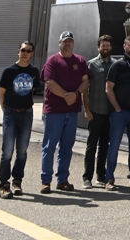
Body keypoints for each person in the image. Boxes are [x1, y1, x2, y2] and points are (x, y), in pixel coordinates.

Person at [40, 31, 89, 194]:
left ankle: (63, 180)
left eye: (70, 41)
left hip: (72, 111)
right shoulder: (52, 60)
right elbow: (49, 82)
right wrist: (66, 96)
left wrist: (75, 95)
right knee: (49, 146)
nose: (67, 44)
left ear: (73, 44)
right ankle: (46, 180)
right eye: (64, 41)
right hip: (54, 111)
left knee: (67, 146)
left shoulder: (80, 60)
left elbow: (85, 81)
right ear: (59, 43)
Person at [104, 35, 130, 191]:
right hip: (120, 113)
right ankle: (109, 178)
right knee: (114, 146)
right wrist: (117, 108)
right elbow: (108, 88)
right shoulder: (117, 66)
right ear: (124, 46)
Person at [0, 40, 40, 198]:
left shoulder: (34, 71)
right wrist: (5, 109)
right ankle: (4, 185)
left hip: (26, 113)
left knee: (22, 151)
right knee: (7, 151)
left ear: (32, 54)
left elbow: (32, 90)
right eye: (23, 50)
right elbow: (1, 92)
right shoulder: (8, 71)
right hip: (10, 113)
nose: (25, 53)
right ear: (18, 51)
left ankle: (17, 181)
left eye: (28, 51)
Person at [82, 34, 114, 189]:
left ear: (111, 47)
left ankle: (101, 176)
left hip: (109, 113)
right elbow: (85, 90)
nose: (105, 48)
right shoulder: (92, 65)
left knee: (104, 146)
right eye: (103, 45)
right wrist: (86, 110)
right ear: (98, 47)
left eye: (108, 45)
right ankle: (87, 177)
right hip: (95, 111)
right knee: (91, 145)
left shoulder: (115, 65)